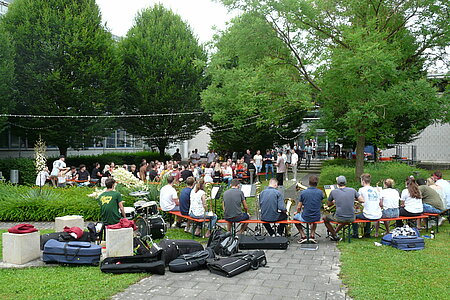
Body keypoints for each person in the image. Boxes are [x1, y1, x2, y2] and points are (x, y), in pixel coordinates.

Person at [323, 176, 364, 241]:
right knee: (344, 217)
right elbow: (362, 200)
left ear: (337, 183)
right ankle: (335, 233)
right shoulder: (352, 190)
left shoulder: (334, 192)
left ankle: (334, 235)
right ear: (346, 182)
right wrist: (353, 198)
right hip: (352, 217)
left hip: (340, 217)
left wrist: (334, 202)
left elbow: (328, 204)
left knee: (325, 218)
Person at [293, 175, 324, 243]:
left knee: (295, 218)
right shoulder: (320, 192)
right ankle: (312, 235)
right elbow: (318, 203)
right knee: (314, 216)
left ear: (309, 183)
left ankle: (303, 235)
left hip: (306, 217)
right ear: (317, 183)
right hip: (317, 217)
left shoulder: (303, 193)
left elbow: (299, 207)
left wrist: (297, 212)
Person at [353, 173, 382, 238]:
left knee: (354, 216)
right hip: (378, 214)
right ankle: (367, 232)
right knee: (367, 211)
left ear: (363, 181)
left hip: (369, 215)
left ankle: (355, 234)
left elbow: (358, 199)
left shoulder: (361, 189)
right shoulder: (376, 189)